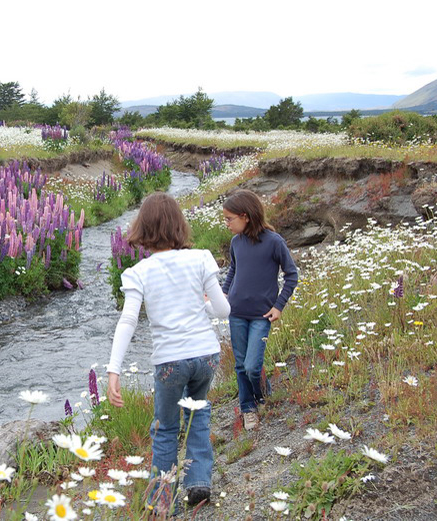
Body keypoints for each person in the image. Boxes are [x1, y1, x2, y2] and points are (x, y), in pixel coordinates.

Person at [106, 192, 230, 512]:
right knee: (199, 415)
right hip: (205, 355)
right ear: (179, 225)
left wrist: (113, 370)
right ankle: (198, 480)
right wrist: (200, 305)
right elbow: (223, 310)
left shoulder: (138, 272)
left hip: (169, 361)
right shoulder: (201, 257)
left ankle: (163, 501)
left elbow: (128, 320)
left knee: (165, 428)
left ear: (142, 228)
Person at [221, 189, 298, 431]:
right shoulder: (236, 242)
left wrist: (279, 306)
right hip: (236, 313)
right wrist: (223, 292)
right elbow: (234, 269)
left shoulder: (274, 242)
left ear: (245, 216)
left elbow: (292, 275)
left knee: (253, 366)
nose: (226, 224)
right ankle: (248, 408)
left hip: (262, 315)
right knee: (240, 364)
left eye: (229, 219)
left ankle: (263, 394)